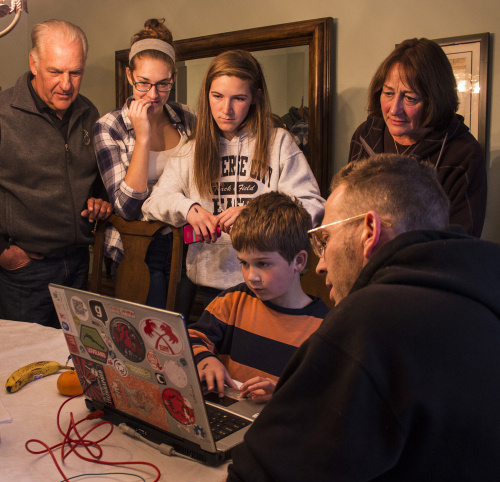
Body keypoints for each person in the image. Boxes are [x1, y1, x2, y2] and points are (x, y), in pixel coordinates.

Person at [227, 154, 500, 482]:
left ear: (369, 231)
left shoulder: (370, 321)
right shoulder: (481, 298)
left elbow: (262, 475)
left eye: (324, 240)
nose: (321, 264)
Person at [142, 50, 325, 311]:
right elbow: (153, 203)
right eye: (217, 96)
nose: (226, 109)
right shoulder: (190, 150)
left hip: (272, 284)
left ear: (255, 98)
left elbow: (313, 205)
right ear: (207, 95)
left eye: (239, 98)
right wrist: (188, 209)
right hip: (211, 285)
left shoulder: (279, 143)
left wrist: (255, 216)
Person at [0, 20, 111, 328]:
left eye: (75, 72)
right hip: (24, 271)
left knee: (74, 360)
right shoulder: (3, 114)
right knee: (22, 365)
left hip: (78, 266)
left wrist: (99, 200)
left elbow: (99, 180)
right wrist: (3, 253)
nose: (66, 84)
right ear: (34, 64)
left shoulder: (89, 112)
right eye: (56, 71)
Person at [94, 18, 196, 310]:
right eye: (144, 84)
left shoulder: (186, 118)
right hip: (136, 248)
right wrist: (142, 137)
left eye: (163, 84)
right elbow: (127, 209)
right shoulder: (109, 126)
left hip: (184, 245)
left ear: (174, 77)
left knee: (181, 334)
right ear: (129, 76)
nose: (153, 95)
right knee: (144, 341)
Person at [188, 192, 329, 401]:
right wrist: (206, 360)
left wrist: (282, 392)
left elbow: (324, 395)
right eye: (244, 263)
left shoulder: (325, 327)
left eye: (263, 264)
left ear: (299, 261)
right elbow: (189, 339)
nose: (251, 277)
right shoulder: (232, 300)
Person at [349, 38, 486, 238]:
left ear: (434, 100)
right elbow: (347, 212)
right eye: (388, 93)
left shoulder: (462, 153)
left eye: (410, 98)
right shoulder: (365, 135)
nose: (395, 109)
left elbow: (461, 244)